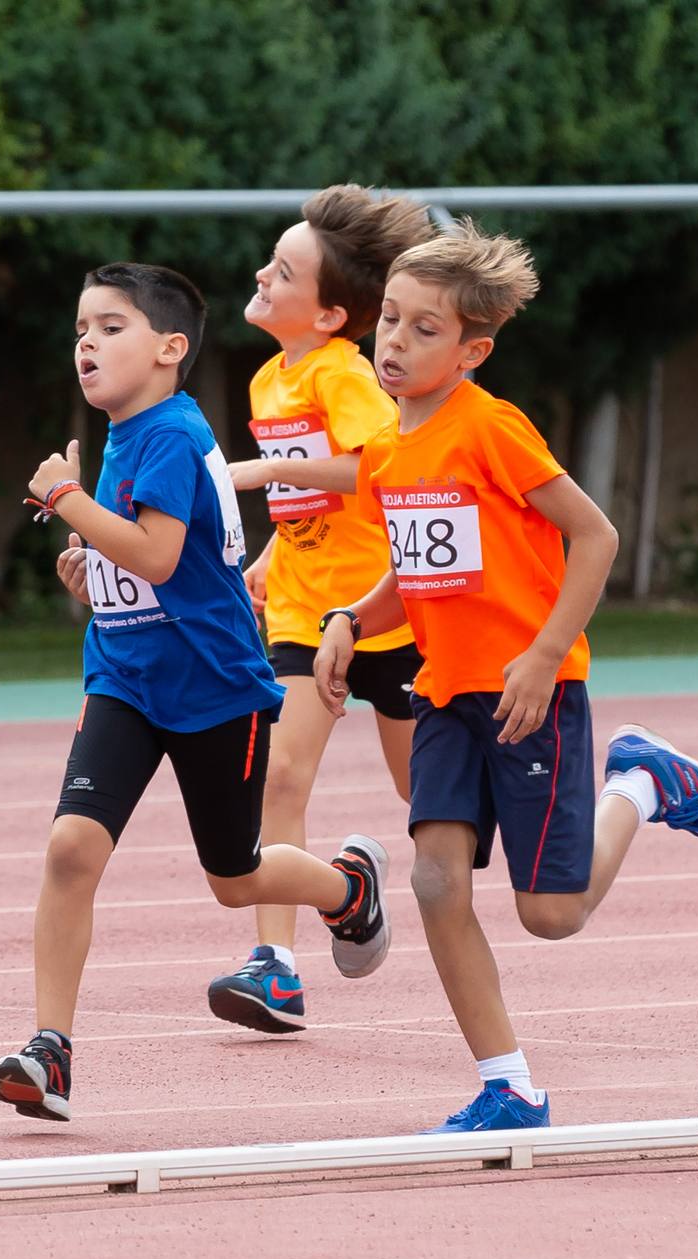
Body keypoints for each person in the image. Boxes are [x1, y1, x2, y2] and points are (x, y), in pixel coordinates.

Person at [314, 224, 698, 1133]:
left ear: (474, 349)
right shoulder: (390, 453)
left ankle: (642, 783)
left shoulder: (494, 428)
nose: (394, 341)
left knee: (551, 914)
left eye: (423, 329)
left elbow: (596, 536)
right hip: (442, 692)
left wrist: (548, 652)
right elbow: (419, 574)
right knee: (436, 883)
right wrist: (353, 621)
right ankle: (508, 1084)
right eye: (388, 321)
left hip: (528, 695)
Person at [0, 262, 391, 1123]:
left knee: (236, 876)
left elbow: (160, 555)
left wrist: (67, 501)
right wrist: (91, 568)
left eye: (110, 327)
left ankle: (348, 890)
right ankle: (50, 1051)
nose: (87, 344)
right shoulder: (127, 431)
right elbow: (143, 563)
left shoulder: (169, 432)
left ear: (169, 348)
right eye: (79, 331)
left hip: (214, 693)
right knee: (70, 850)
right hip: (125, 680)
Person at [206, 185, 438, 1034]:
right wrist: (274, 550)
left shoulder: (345, 374)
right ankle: (276, 966)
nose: (264, 273)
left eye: (286, 268)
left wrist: (267, 475)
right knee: (280, 773)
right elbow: (316, 499)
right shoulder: (272, 378)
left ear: (332, 313)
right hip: (306, 613)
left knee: (436, 810)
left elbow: (380, 468)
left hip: (392, 613)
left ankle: (359, 888)